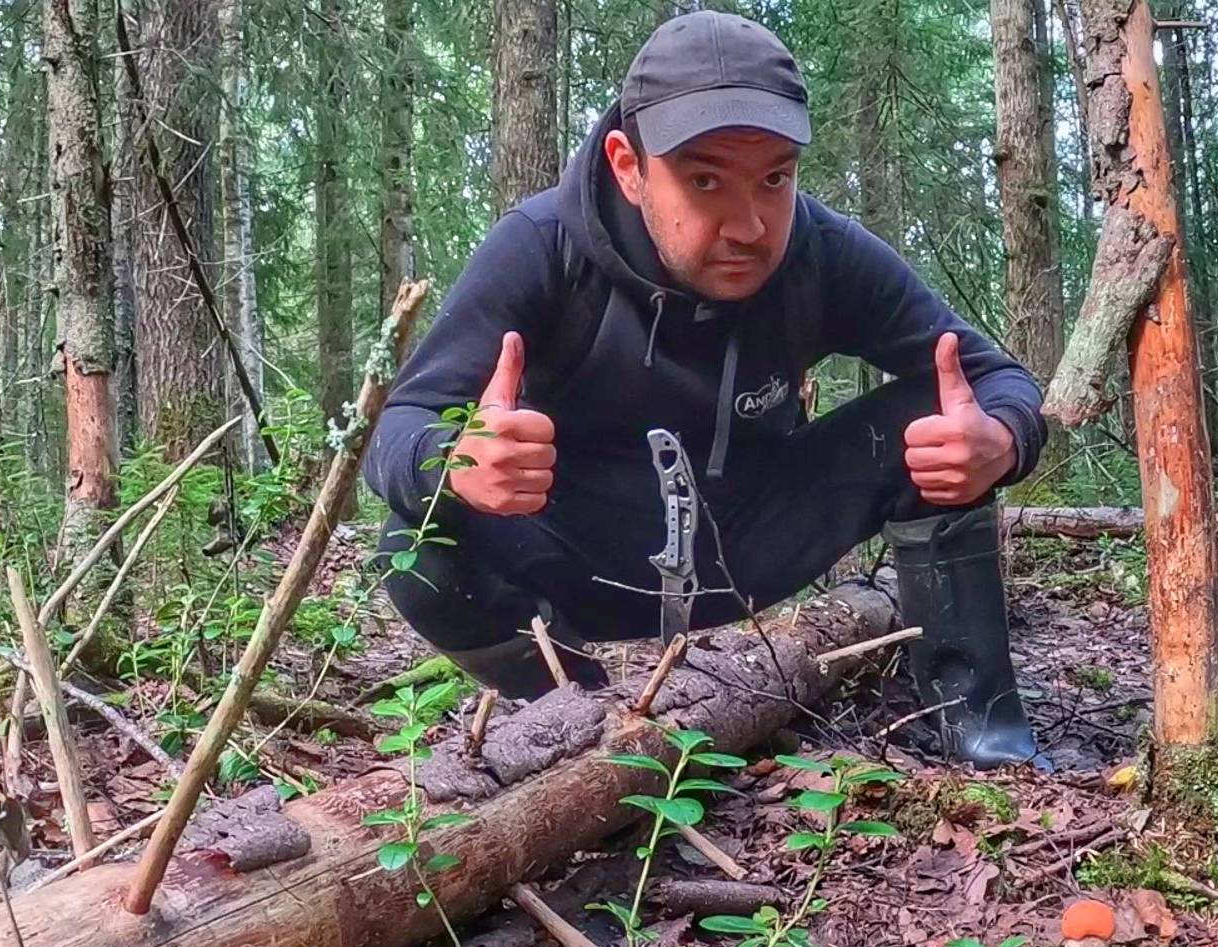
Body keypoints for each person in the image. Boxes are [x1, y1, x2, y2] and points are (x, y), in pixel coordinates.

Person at [365, 11, 1051, 769]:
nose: (750, 225)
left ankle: (985, 739)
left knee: (945, 418)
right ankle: (577, 721)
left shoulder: (822, 255)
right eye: (704, 180)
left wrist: (1004, 440)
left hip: (748, 541)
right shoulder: (544, 249)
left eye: (775, 178)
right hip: (579, 559)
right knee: (415, 547)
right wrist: (457, 461)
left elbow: (997, 376)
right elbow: (400, 426)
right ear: (628, 166)